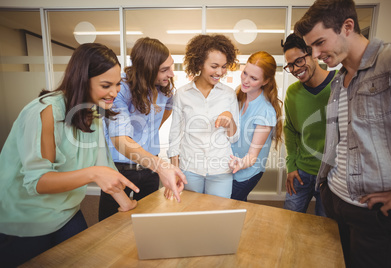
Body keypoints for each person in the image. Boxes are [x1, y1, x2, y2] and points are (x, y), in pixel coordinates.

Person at [0, 43, 138, 267]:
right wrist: (93, 173)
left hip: (66, 211)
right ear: (82, 80)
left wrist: (126, 204)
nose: (115, 92)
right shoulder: (45, 112)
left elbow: (105, 165)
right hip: (25, 219)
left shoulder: (91, 111)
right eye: (106, 85)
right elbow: (38, 182)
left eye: (117, 84)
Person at [294, 0, 391, 267]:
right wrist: (325, 188)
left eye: (320, 42)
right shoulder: (337, 84)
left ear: (347, 27)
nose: (316, 53)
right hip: (335, 200)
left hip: (375, 215)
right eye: (311, 47)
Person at [99, 37, 186, 221]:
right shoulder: (120, 89)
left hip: (149, 171)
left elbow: (164, 114)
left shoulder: (165, 89)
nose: (171, 74)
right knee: (109, 223)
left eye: (171, 67)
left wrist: (146, 138)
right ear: (147, 69)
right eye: (164, 70)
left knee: (147, 221)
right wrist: (162, 167)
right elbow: (120, 141)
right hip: (119, 168)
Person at [167, 34, 239, 199]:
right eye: (214, 66)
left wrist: (230, 121)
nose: (219, 72)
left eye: (224, 66)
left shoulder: (228, 94)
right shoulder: (182, 94)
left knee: (219, 218)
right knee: (190, 217)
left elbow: (234, 138)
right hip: (190, 168)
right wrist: (175, 170)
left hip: (221, 169)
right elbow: (175, 135)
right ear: (199, 63)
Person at [282, 33, 337, 216]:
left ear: (312, 53)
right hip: (302, 173)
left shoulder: (340, 84)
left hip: (332, 176)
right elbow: (290, 129)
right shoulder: (292, 92)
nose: (295, 69)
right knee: (288, 223)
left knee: (325, 231)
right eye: (290, 65)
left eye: (298, 61)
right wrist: (291, 166)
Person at [228, 51, 282, 201]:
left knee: (229, 206)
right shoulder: (238, 95)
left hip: (246, 172)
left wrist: (239, 163)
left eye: (253, 78)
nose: (245, 80)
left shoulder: (265, 111)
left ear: (265, 81)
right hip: (231, 166)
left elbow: (252, 157)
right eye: (245, 73)